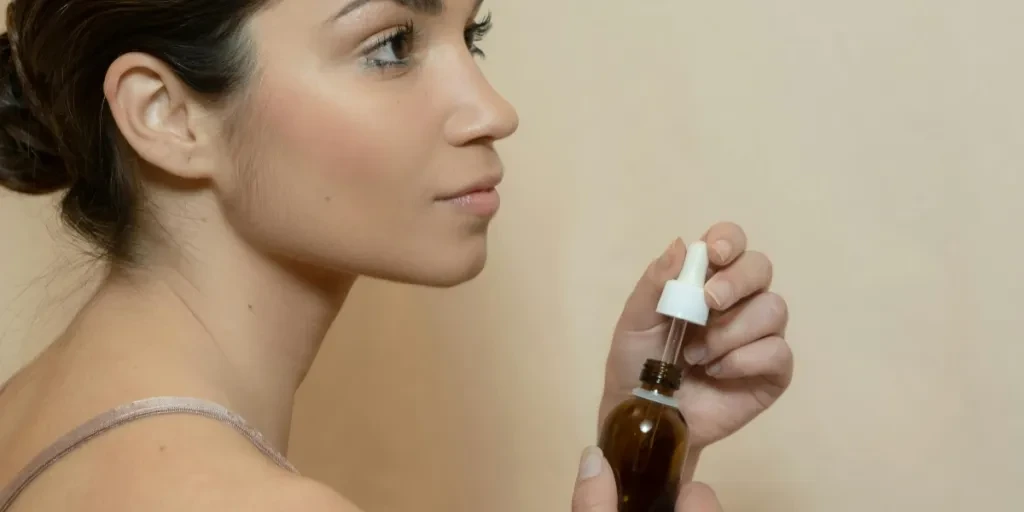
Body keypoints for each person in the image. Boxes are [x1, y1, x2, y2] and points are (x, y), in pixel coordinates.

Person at [0, 0, 794, 510]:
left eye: (471, 33)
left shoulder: (31, 418)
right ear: (167, 114)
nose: (493, 109)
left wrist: (639, 466)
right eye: (390, 46)